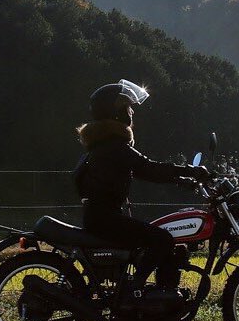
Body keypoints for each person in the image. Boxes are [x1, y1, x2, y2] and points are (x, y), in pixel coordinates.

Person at [74, 79, 210, 305]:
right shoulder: (114, 146)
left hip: (102, 217)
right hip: (106, 219)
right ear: (115, 112)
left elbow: (144, 172)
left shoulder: (106, 145)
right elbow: (149, 167)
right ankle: (134, 289)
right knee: (162, 239)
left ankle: (150, 289)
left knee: (158, 239)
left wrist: (181, 179)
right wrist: (192, 171)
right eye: (127, 107)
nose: (132, 112)